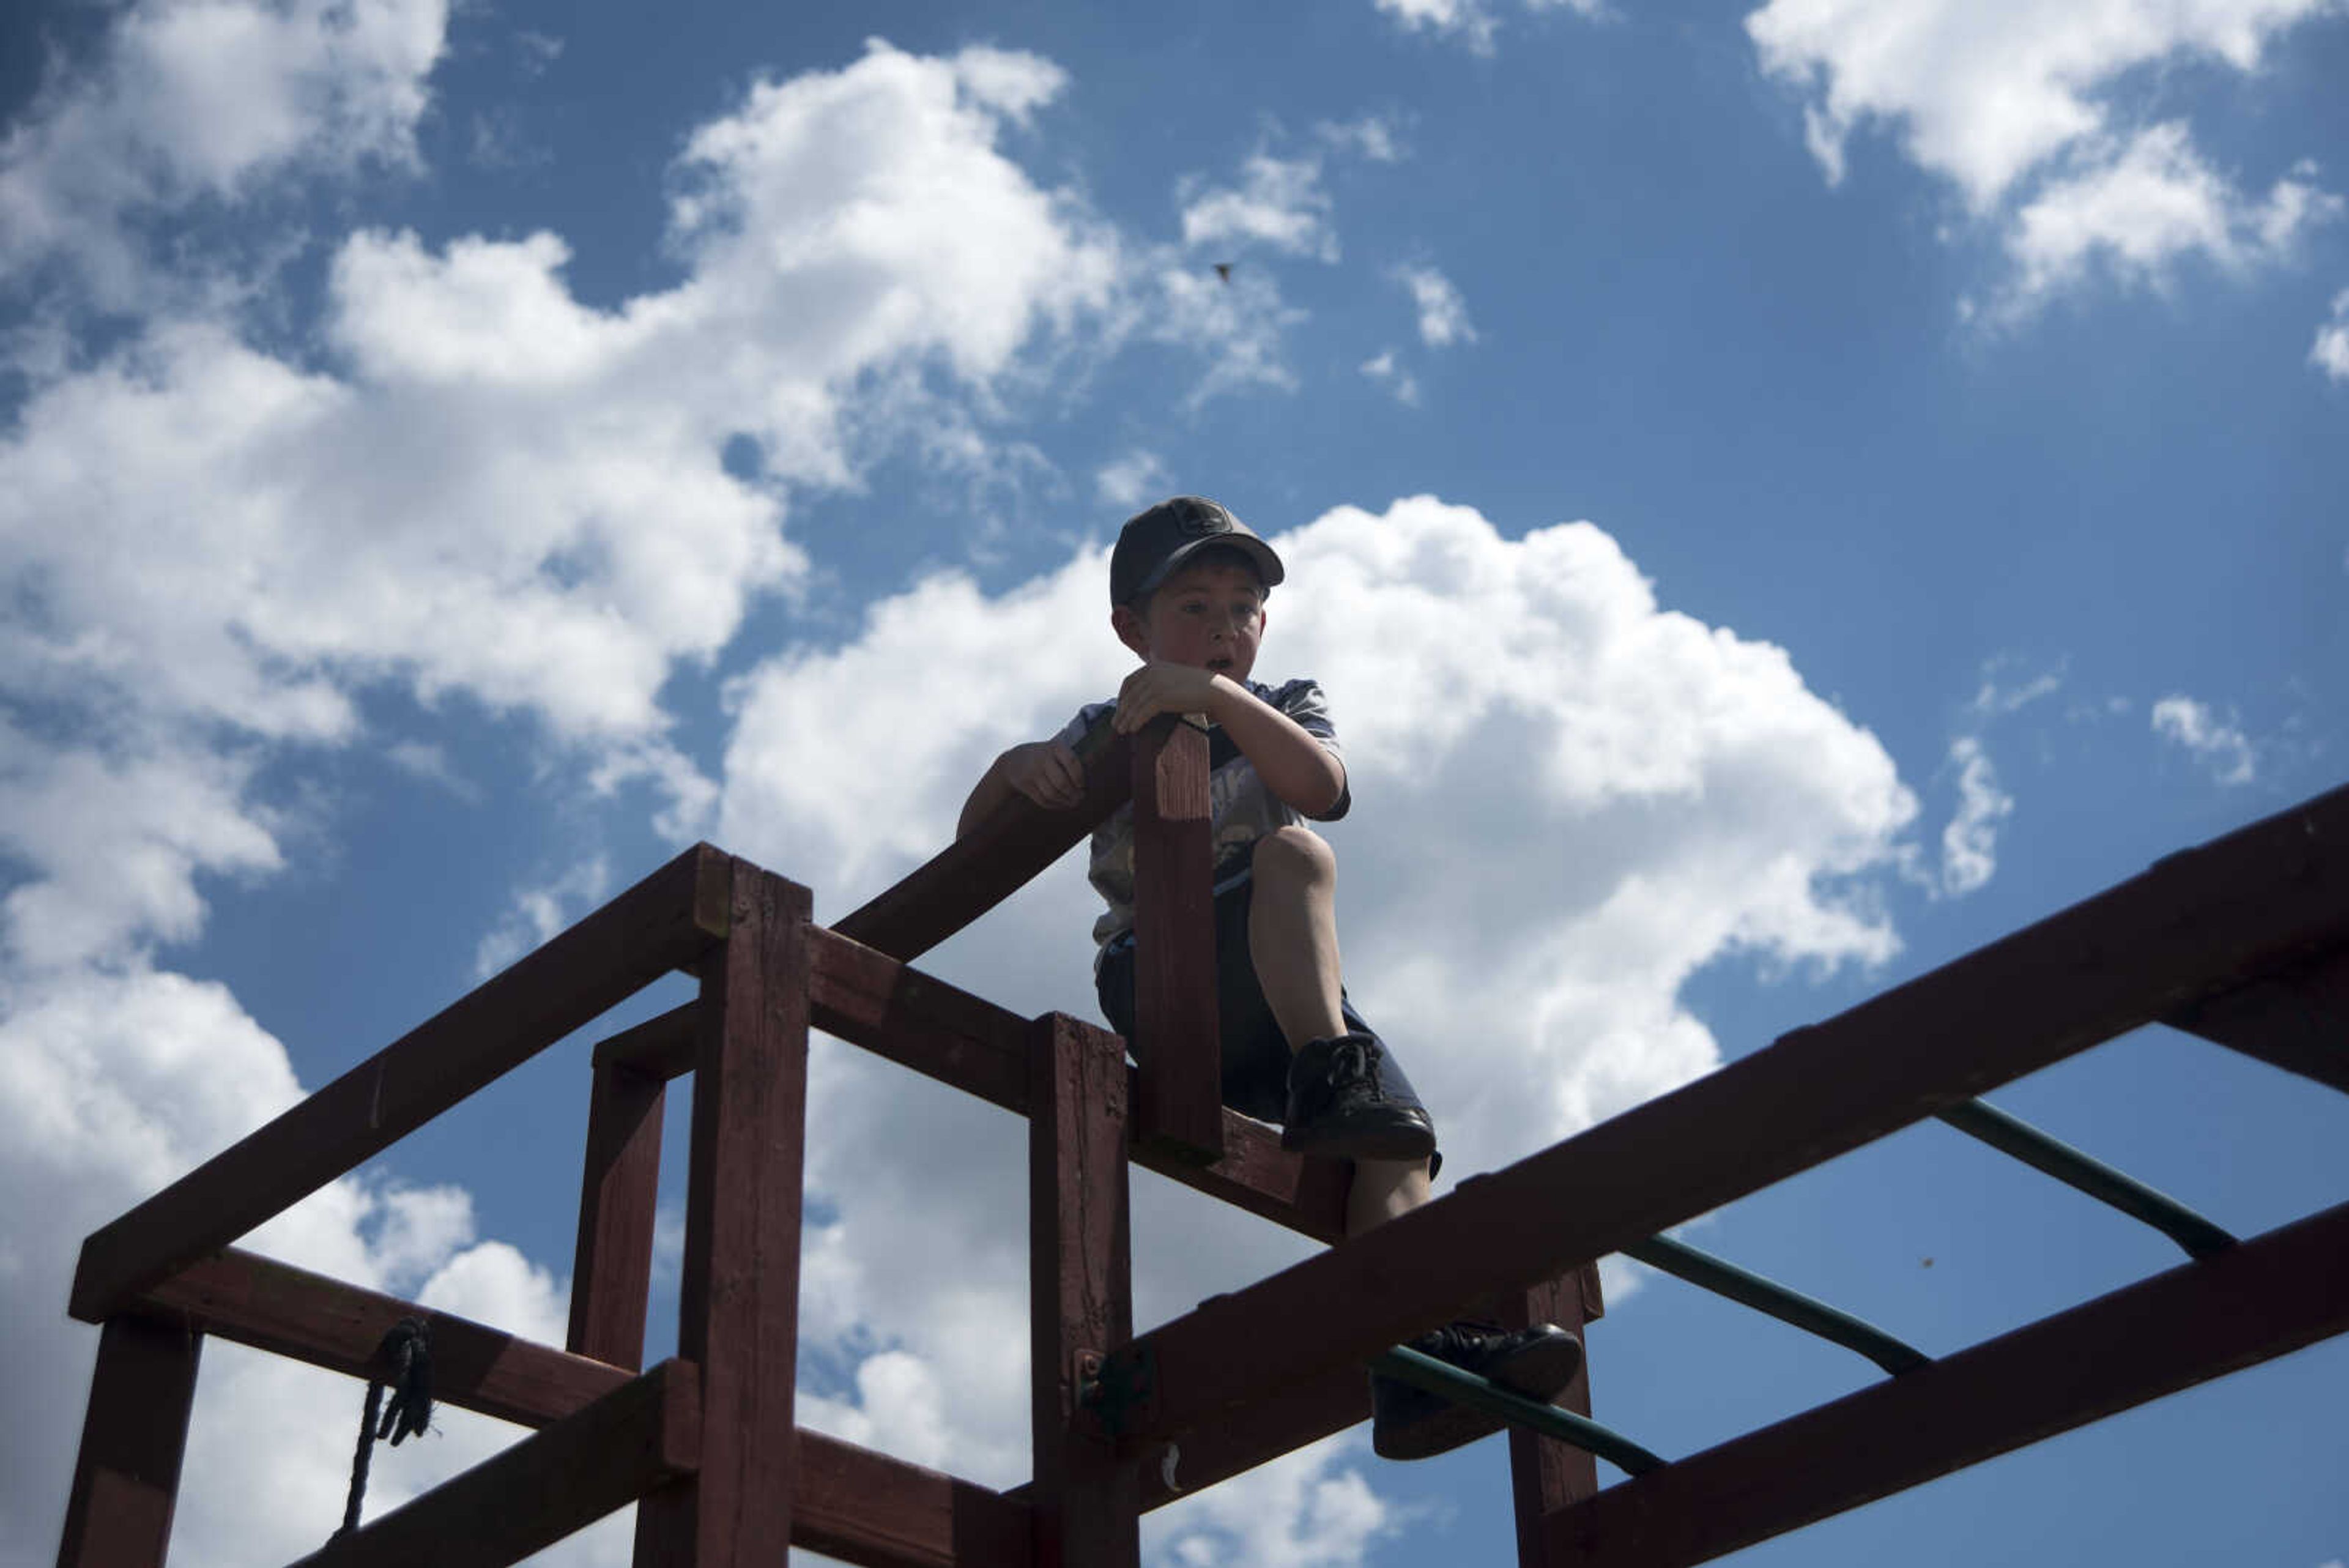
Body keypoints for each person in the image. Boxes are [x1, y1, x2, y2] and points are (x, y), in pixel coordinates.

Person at [957, 495, 1582, 1459]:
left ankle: (1410, 1361)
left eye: (1241, 608)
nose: (1221, 628)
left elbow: (1323, 790)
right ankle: (1334, 1076)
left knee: (1398, 1146)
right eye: (1194, 608)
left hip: (1286, 1004)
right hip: (1158, 972)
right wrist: (1012, 767)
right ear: (1133, 630)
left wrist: (1214, 700)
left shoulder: (1279, 705)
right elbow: (977, 849)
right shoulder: (1107, 725)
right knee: (1294, 867)